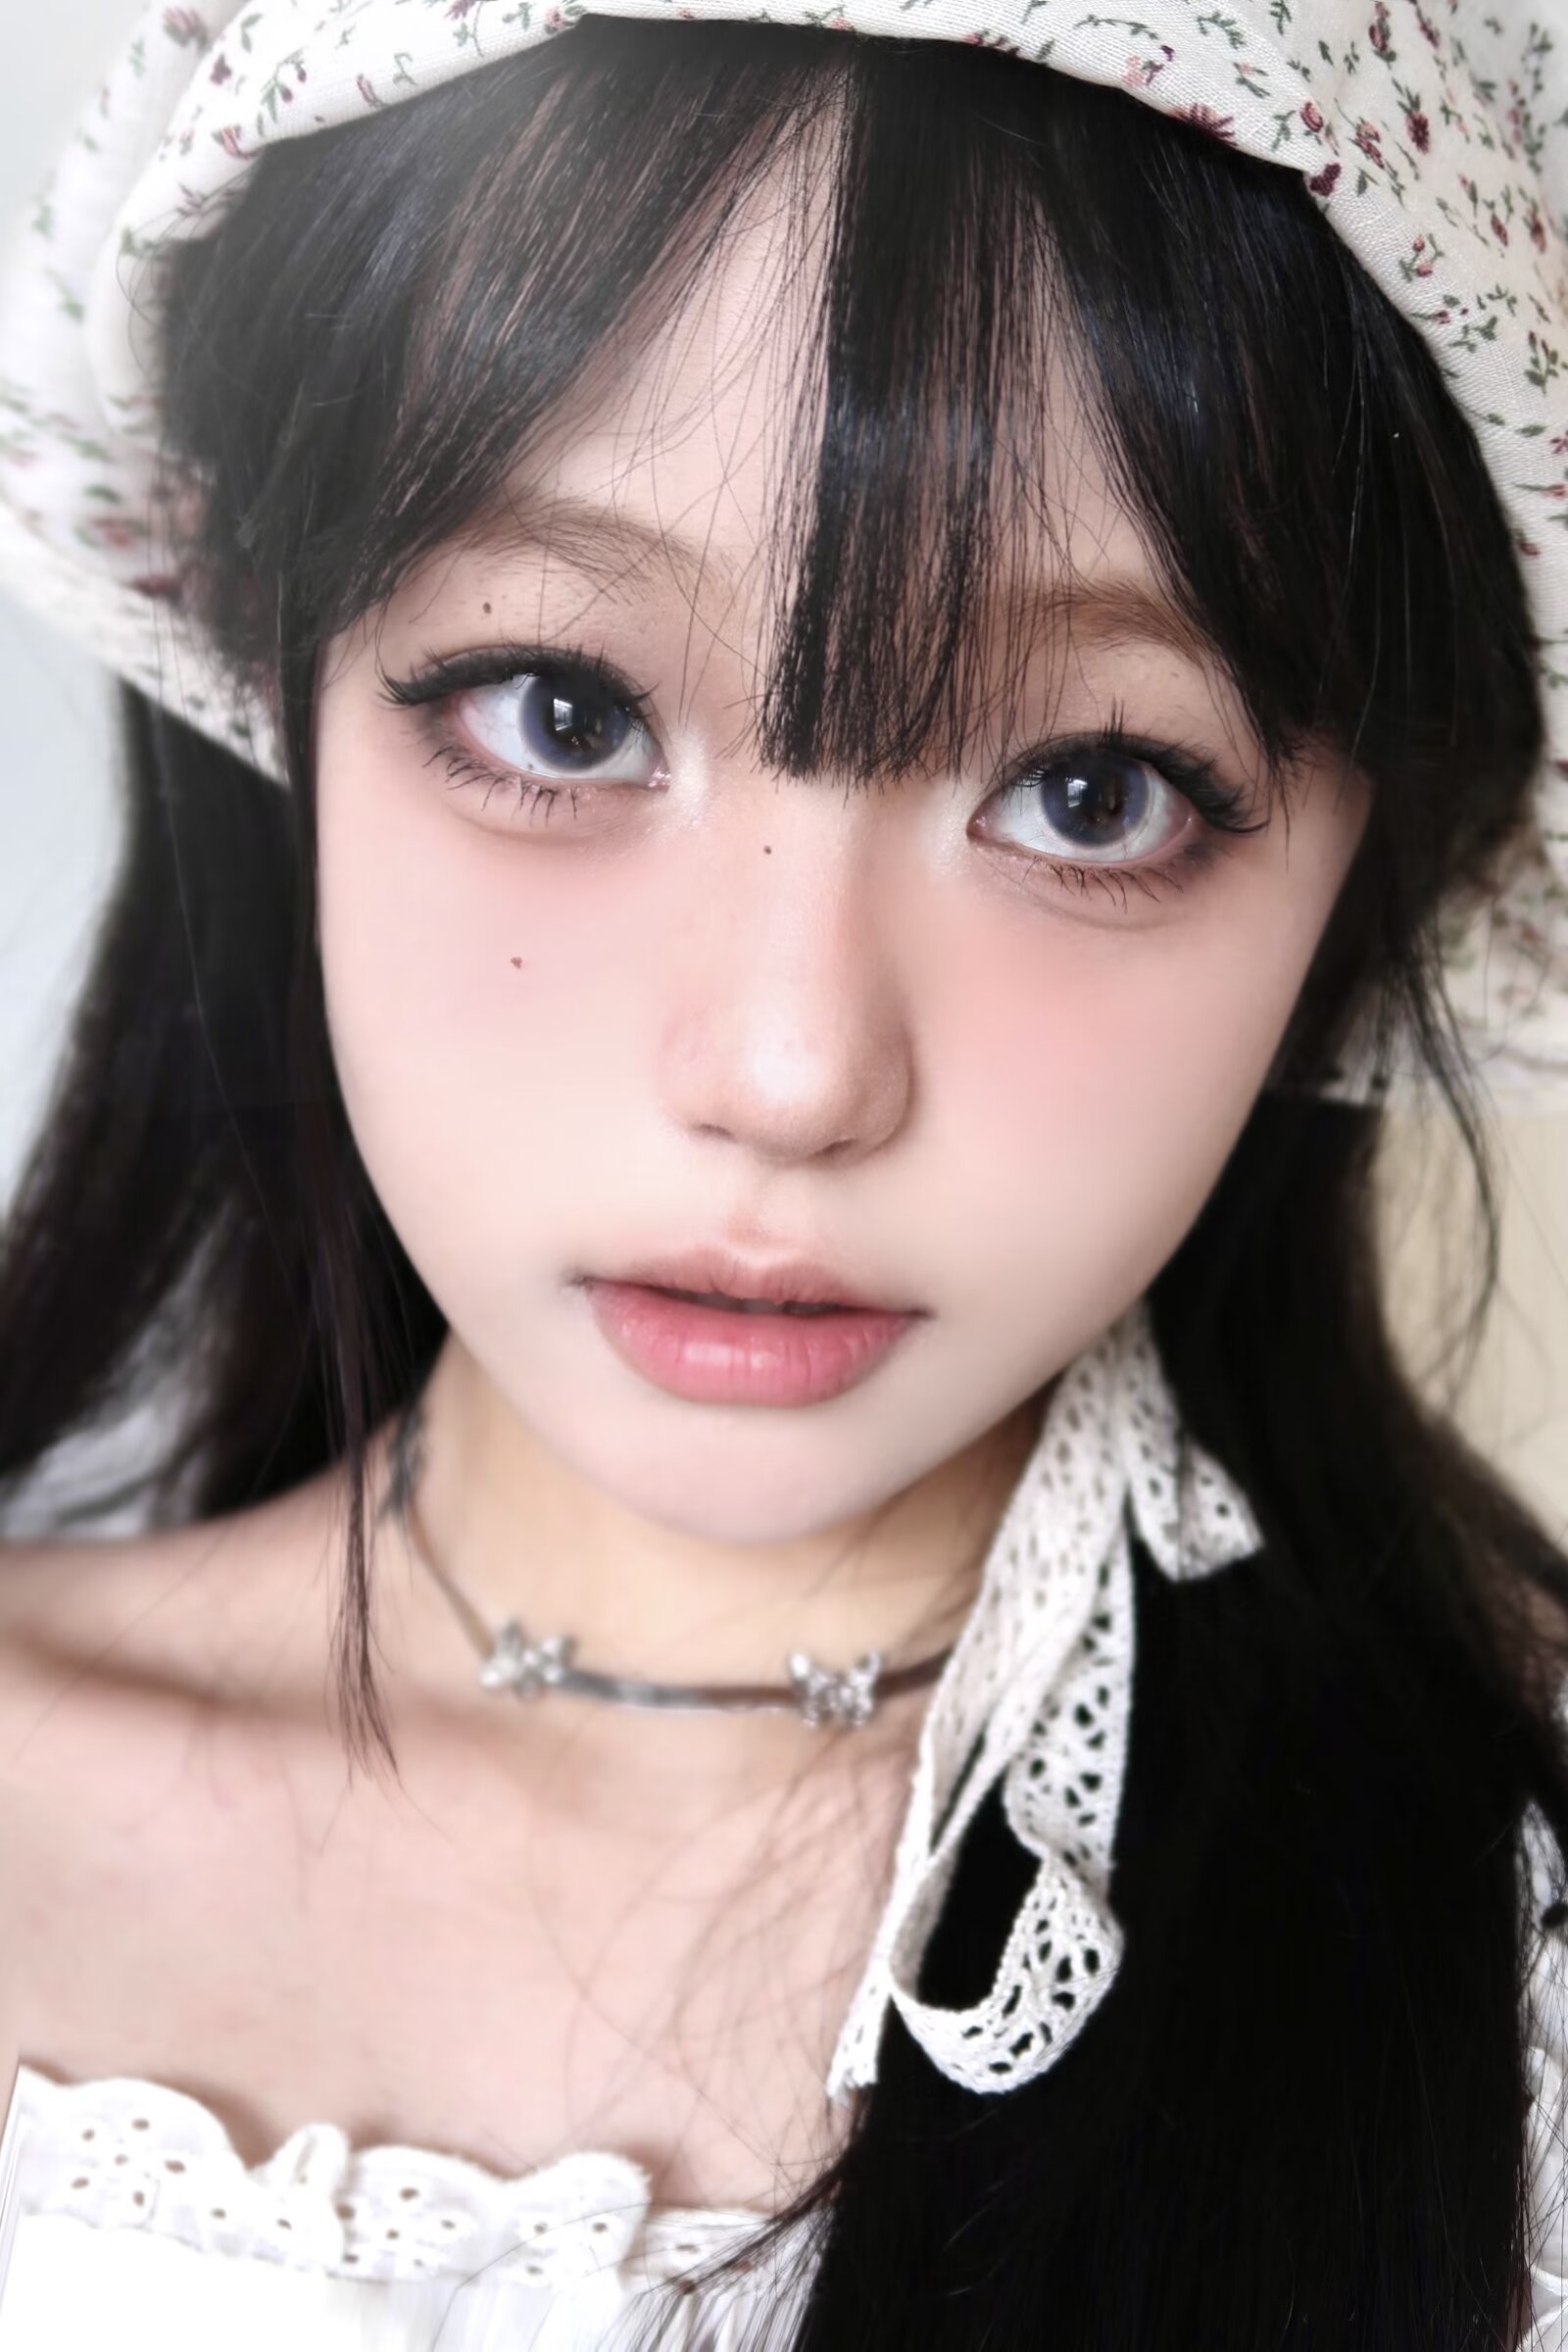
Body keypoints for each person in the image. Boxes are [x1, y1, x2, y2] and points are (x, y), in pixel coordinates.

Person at [0, 0, 1565, 2344]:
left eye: (1090, 790)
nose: (790, 1069)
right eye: (563, 710)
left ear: (1360, 869)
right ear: (282, 667)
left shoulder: (1497, 2009)